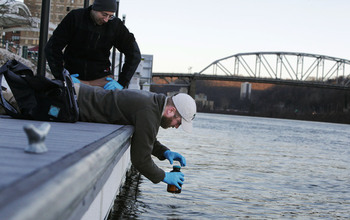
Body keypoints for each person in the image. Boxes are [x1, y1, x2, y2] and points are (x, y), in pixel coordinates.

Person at [75, 83, 197, 189]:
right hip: (73, 99)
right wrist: (164, 176)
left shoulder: (153, 104)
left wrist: (165, 152)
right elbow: (140, 160)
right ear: (171, 111)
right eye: (179, 122)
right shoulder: (149, 112)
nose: (176, 127)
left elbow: (146, 137)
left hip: (78, 97)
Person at [45, 0, 141, 90]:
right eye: (104, 14)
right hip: (74, 77)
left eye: (110, 16)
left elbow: (134, 54)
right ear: (94, 8)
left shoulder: (115, 26)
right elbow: (52, 48)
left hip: (101, 81)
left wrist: (121, 83)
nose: (106, 19)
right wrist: (61, 75)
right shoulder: (75, 18)